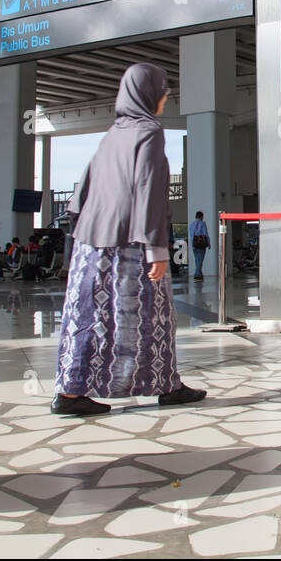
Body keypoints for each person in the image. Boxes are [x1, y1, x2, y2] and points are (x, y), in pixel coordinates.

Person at [53, 63, 205, 414]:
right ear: (149, 93)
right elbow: (148, 188)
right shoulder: (148, 131)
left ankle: (70, 391)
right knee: (150, 314)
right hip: (129, 244)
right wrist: (157, 247)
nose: (166, 96)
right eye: (163, 89)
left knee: (87, 316)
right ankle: (166, 386)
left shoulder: (112, 134)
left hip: (90, 243)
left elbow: (81, 192)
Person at [189, 210, 211, 281]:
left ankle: (200, 274)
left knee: (197, 260)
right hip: (201, 244)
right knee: (200, 260)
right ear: (201, 216)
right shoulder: (202, 223)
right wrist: (208, 243)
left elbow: (191, 236)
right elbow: (205, 234)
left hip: (194, 244)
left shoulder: (191, 225)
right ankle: (197, 275)